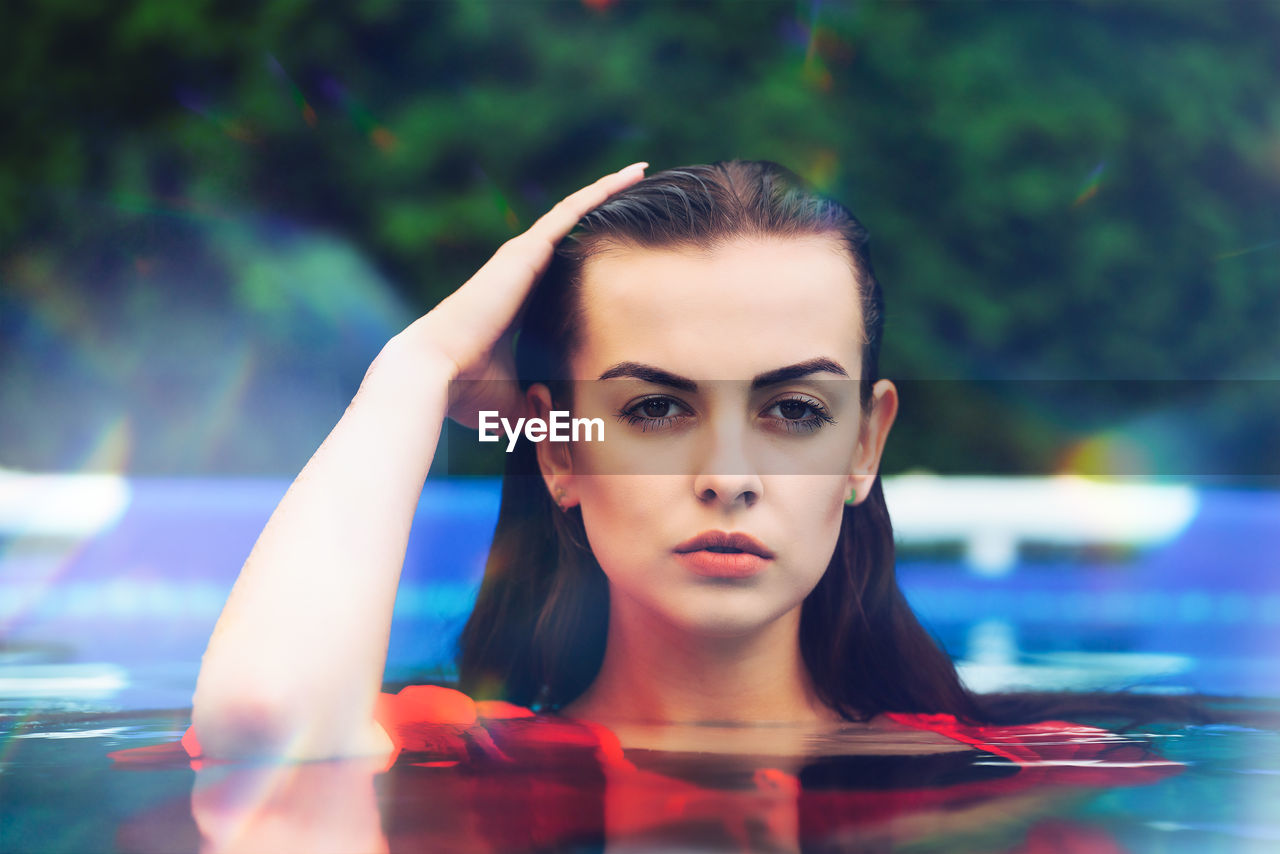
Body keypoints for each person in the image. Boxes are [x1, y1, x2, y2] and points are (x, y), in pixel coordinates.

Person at [184, 160, 1205, 766]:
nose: (728, 472)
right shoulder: (445, 752)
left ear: (863, 445)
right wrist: (414, 370)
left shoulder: (1024, 782)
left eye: (792, 408)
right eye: (656, 406)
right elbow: (260, 731)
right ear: (556, 450)